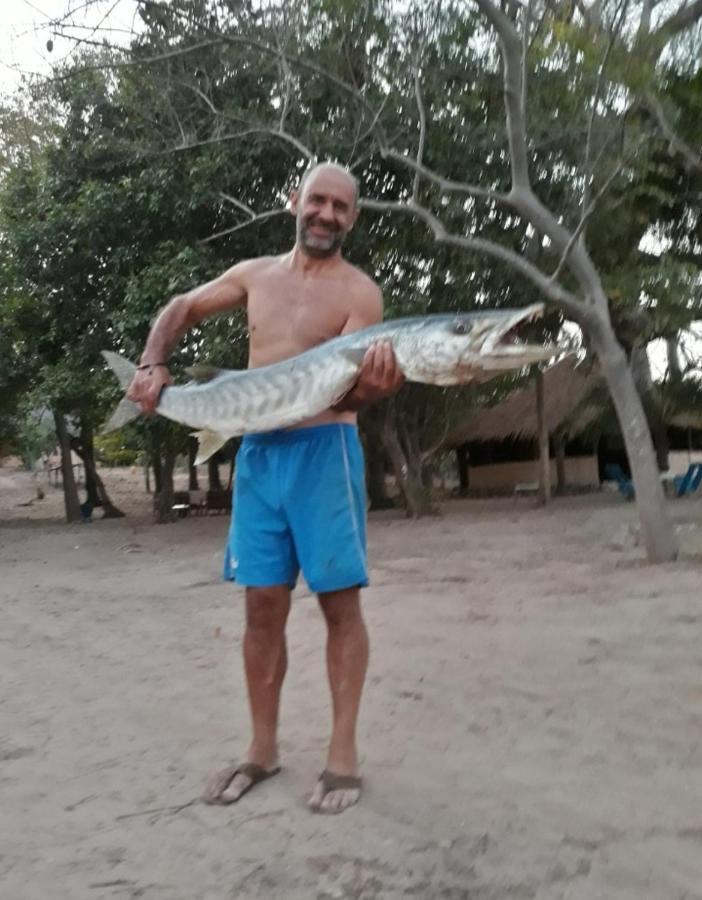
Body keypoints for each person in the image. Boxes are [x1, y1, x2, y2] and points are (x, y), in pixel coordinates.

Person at [126, 161, 403, 815]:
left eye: (341, 207)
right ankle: (262, 749)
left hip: (324, 453)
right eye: (317, 201)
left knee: (340, 608)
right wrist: (151, 363)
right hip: (257, 457)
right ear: (294, 203)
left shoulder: (360, 293)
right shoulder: (254, 276)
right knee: (260, 611)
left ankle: (341, 759)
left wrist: (376, 385)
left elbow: (352, 392)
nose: (327, 214)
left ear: (352, 219)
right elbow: (183, 306)